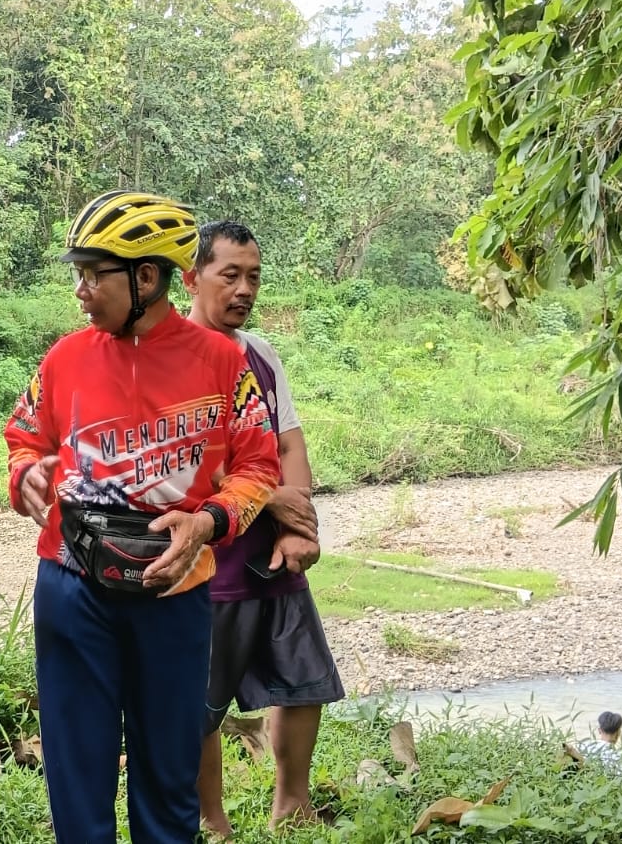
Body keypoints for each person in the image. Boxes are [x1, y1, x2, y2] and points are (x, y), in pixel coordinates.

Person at [5, 191, 282, 842]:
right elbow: (23, 437)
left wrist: (208, 521)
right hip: (72, 593)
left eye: (91, 274)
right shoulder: (65, 358)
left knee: (167, 787)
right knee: (78, 783)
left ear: (147, 278)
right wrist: (26, 474)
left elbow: (259, 467)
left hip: (173, 591)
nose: (79, 290)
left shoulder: (220, 361)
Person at [184, 220, 345, 834]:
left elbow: (290, 443)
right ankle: (213, 820)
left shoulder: (260, 354)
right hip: (208, 560)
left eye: (253, 276)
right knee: (198, 702)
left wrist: (297, 524)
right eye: (230, 275)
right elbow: (185, 460)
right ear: (192, 277)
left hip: (272, 555)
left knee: (304, 680)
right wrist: (269, 496)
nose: (244, 288)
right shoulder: (171, 355)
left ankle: (292, 801)